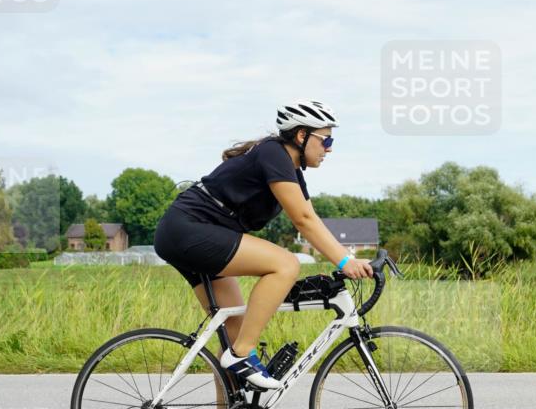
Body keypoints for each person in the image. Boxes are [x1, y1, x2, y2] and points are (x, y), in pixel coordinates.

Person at [153, 100, 373, 390]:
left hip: (194, 233)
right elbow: (302, 220)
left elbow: (312, 217)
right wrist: (345, 262)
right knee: (285, 264)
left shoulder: (291, 171)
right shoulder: (273, 153)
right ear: (301, 136)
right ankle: (244, 354)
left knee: (234, 333)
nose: (329, 148)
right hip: (190, 229)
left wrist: (347, 257)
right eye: (326, 139)